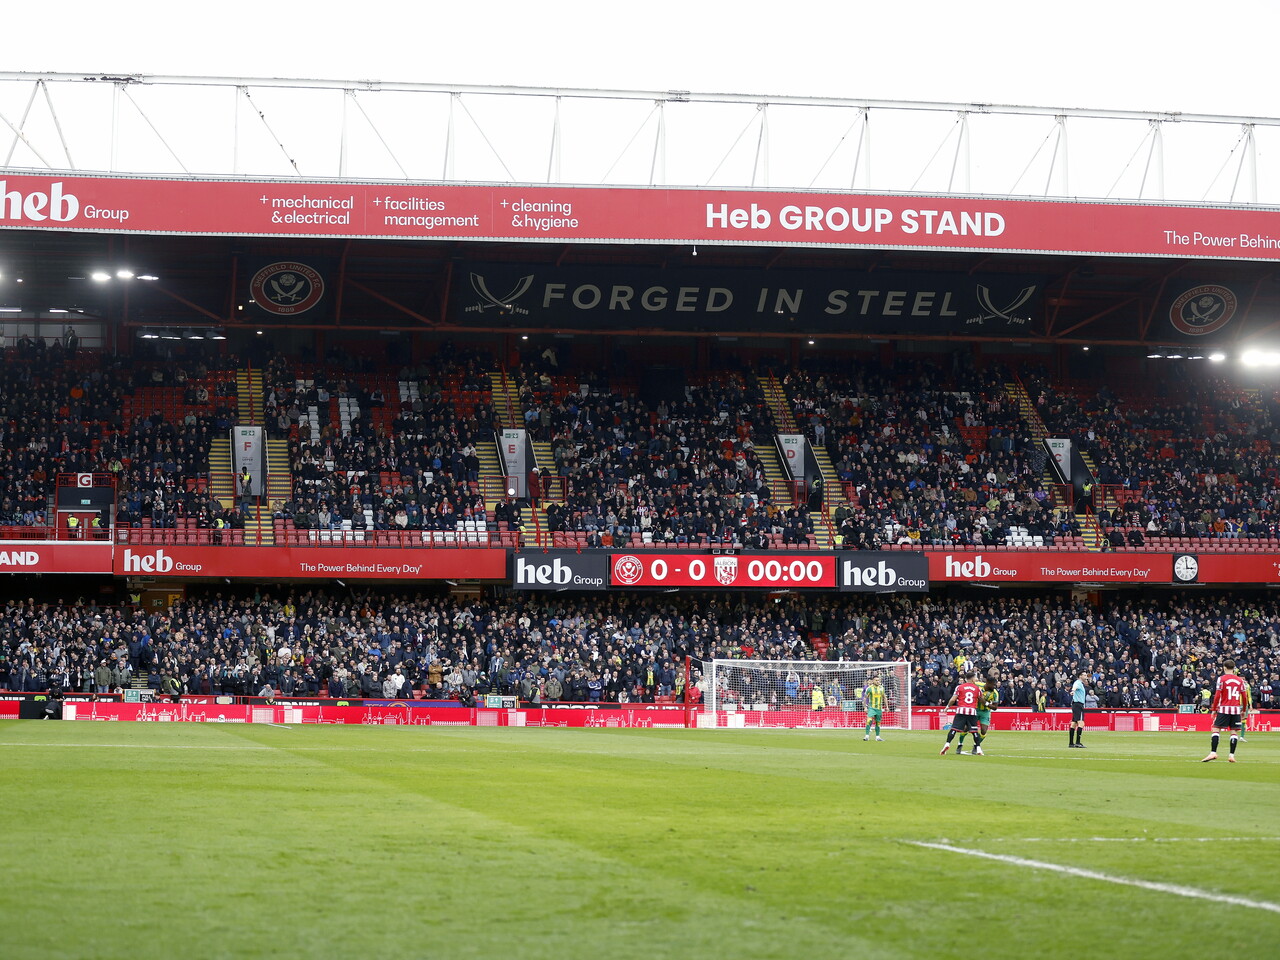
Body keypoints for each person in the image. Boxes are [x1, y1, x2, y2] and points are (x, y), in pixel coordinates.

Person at [1201, 659, 1251, 763]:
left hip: (1224, 708)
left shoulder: (1221, 679)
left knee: (1216, 729)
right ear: (1234, 668)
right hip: (1236, 709)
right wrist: (1244, 710)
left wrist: (1214, 709)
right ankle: (1231, 755)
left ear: (1224, 667)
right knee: (1233, 732)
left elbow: (1217, 695)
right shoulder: (1240, 681)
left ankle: (1213, 752)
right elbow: (1244, 697)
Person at [939, 671, 984, 756]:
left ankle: (947, 744)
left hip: (961, 710)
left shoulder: (959, 687)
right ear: (972, 679)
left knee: (954, 729)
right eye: (975, 678)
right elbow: (981, 699)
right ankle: (978, 749)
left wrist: (947, 707)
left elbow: (953, 699)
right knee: (974, 731)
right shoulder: (977, 688)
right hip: (972, 711)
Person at [958, 672, 999, 753]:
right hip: (975, 710)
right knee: (966, 728)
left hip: (985, 712)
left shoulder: (995, 693)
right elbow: (969, 684)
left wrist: (986, 703)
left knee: (983, 731)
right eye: (993, 685)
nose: (994, 687)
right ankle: (960, 744)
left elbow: (995, 707)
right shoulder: (978, 685)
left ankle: (976, 745)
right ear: (987, 683)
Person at [862, 674, 886, 741]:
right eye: (876, 680)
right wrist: (865, 707)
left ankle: (877, 737)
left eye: (878, 680)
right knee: (869, 720)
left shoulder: (881, 688)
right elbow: (865, 698)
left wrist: (887, 706)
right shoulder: (869, 688)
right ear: (873, 681)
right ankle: (866, 736)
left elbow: (884, 697)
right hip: (871, 708)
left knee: (878, 722)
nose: (878, 681)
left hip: (879, 708)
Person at [1069, 670, 1089, 748]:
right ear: (1080, 676)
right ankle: (1078, 742)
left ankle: (1071, 743)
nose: (1086, 677)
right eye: (1084, 675)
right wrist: (1073, 691)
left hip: (1076, 704)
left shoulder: (1080, 683)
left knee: (1074, 723)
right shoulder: (1078, 683)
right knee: (1081, 723)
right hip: (1078, 705)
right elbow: (1074, 688)